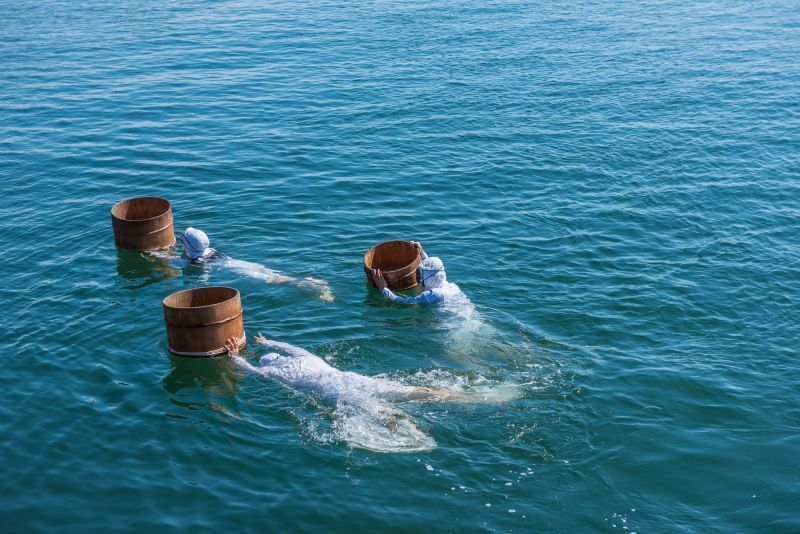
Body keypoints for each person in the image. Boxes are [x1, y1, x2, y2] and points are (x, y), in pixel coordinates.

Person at [224, 335, 466, 403]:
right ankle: (458, 397)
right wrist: (268, 342)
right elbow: (292, 347)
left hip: (334, 393)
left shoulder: (276, 373)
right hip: (350, 378)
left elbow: (252, 371)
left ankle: (414, 435)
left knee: (381, 413)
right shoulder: (308, 357)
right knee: (405, 391)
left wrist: (234, 357)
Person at [177, 227, 333, 301]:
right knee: (274, 276)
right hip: (245, 265)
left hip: (242, 272)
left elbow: (183, 263)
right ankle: (310, 281)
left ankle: (315, 286)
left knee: (274, 281)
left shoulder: (196, 262)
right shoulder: (209, 250)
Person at [371, 241, 464, 305]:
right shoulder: (453, 287)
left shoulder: (434, 294)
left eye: (420, 276)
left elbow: (403, 302)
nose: (420, 280)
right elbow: (431, 271)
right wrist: (422, 253)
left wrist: (383, 288)